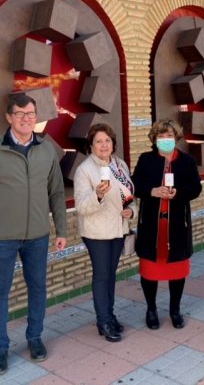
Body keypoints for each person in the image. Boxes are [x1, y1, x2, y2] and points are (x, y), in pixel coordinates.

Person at [0, 93, 67, 376]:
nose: (27, 118)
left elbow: (57, 193)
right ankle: (0, 348)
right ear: (9, 117)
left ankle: (34, 337)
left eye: (31, 113)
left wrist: (60, 229)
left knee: (38, 287)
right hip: (0, 237)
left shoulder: (46, 150)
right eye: (21, 113)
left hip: (37, 235)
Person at [131, 118, 202, 330]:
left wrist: (178, 193)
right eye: (161, 136)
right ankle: (151, 309)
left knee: (177, 270)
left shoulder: (187, 161)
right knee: (150, 271)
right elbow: (135, 185)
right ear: (154, 139)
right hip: (151, 225)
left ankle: (174, 310)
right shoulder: (146, 159)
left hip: (177, 226)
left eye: (169, 136)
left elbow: (196, 188)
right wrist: (152, 191)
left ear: (176, 138)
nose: (165, 139)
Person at [74, 123, 137, 342]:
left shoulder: (120, 165)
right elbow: (81, 206)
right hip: (97, 232)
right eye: (99, 141)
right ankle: (103, 321)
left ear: (113, 143)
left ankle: (109, 315)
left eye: (107, 140)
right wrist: (98, 195)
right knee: (102, 276)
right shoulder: (84, 170)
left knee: (110, 275)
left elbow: (128, 195)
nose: (104, 145)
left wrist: (131, 210)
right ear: (91, 145)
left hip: (118, 228)